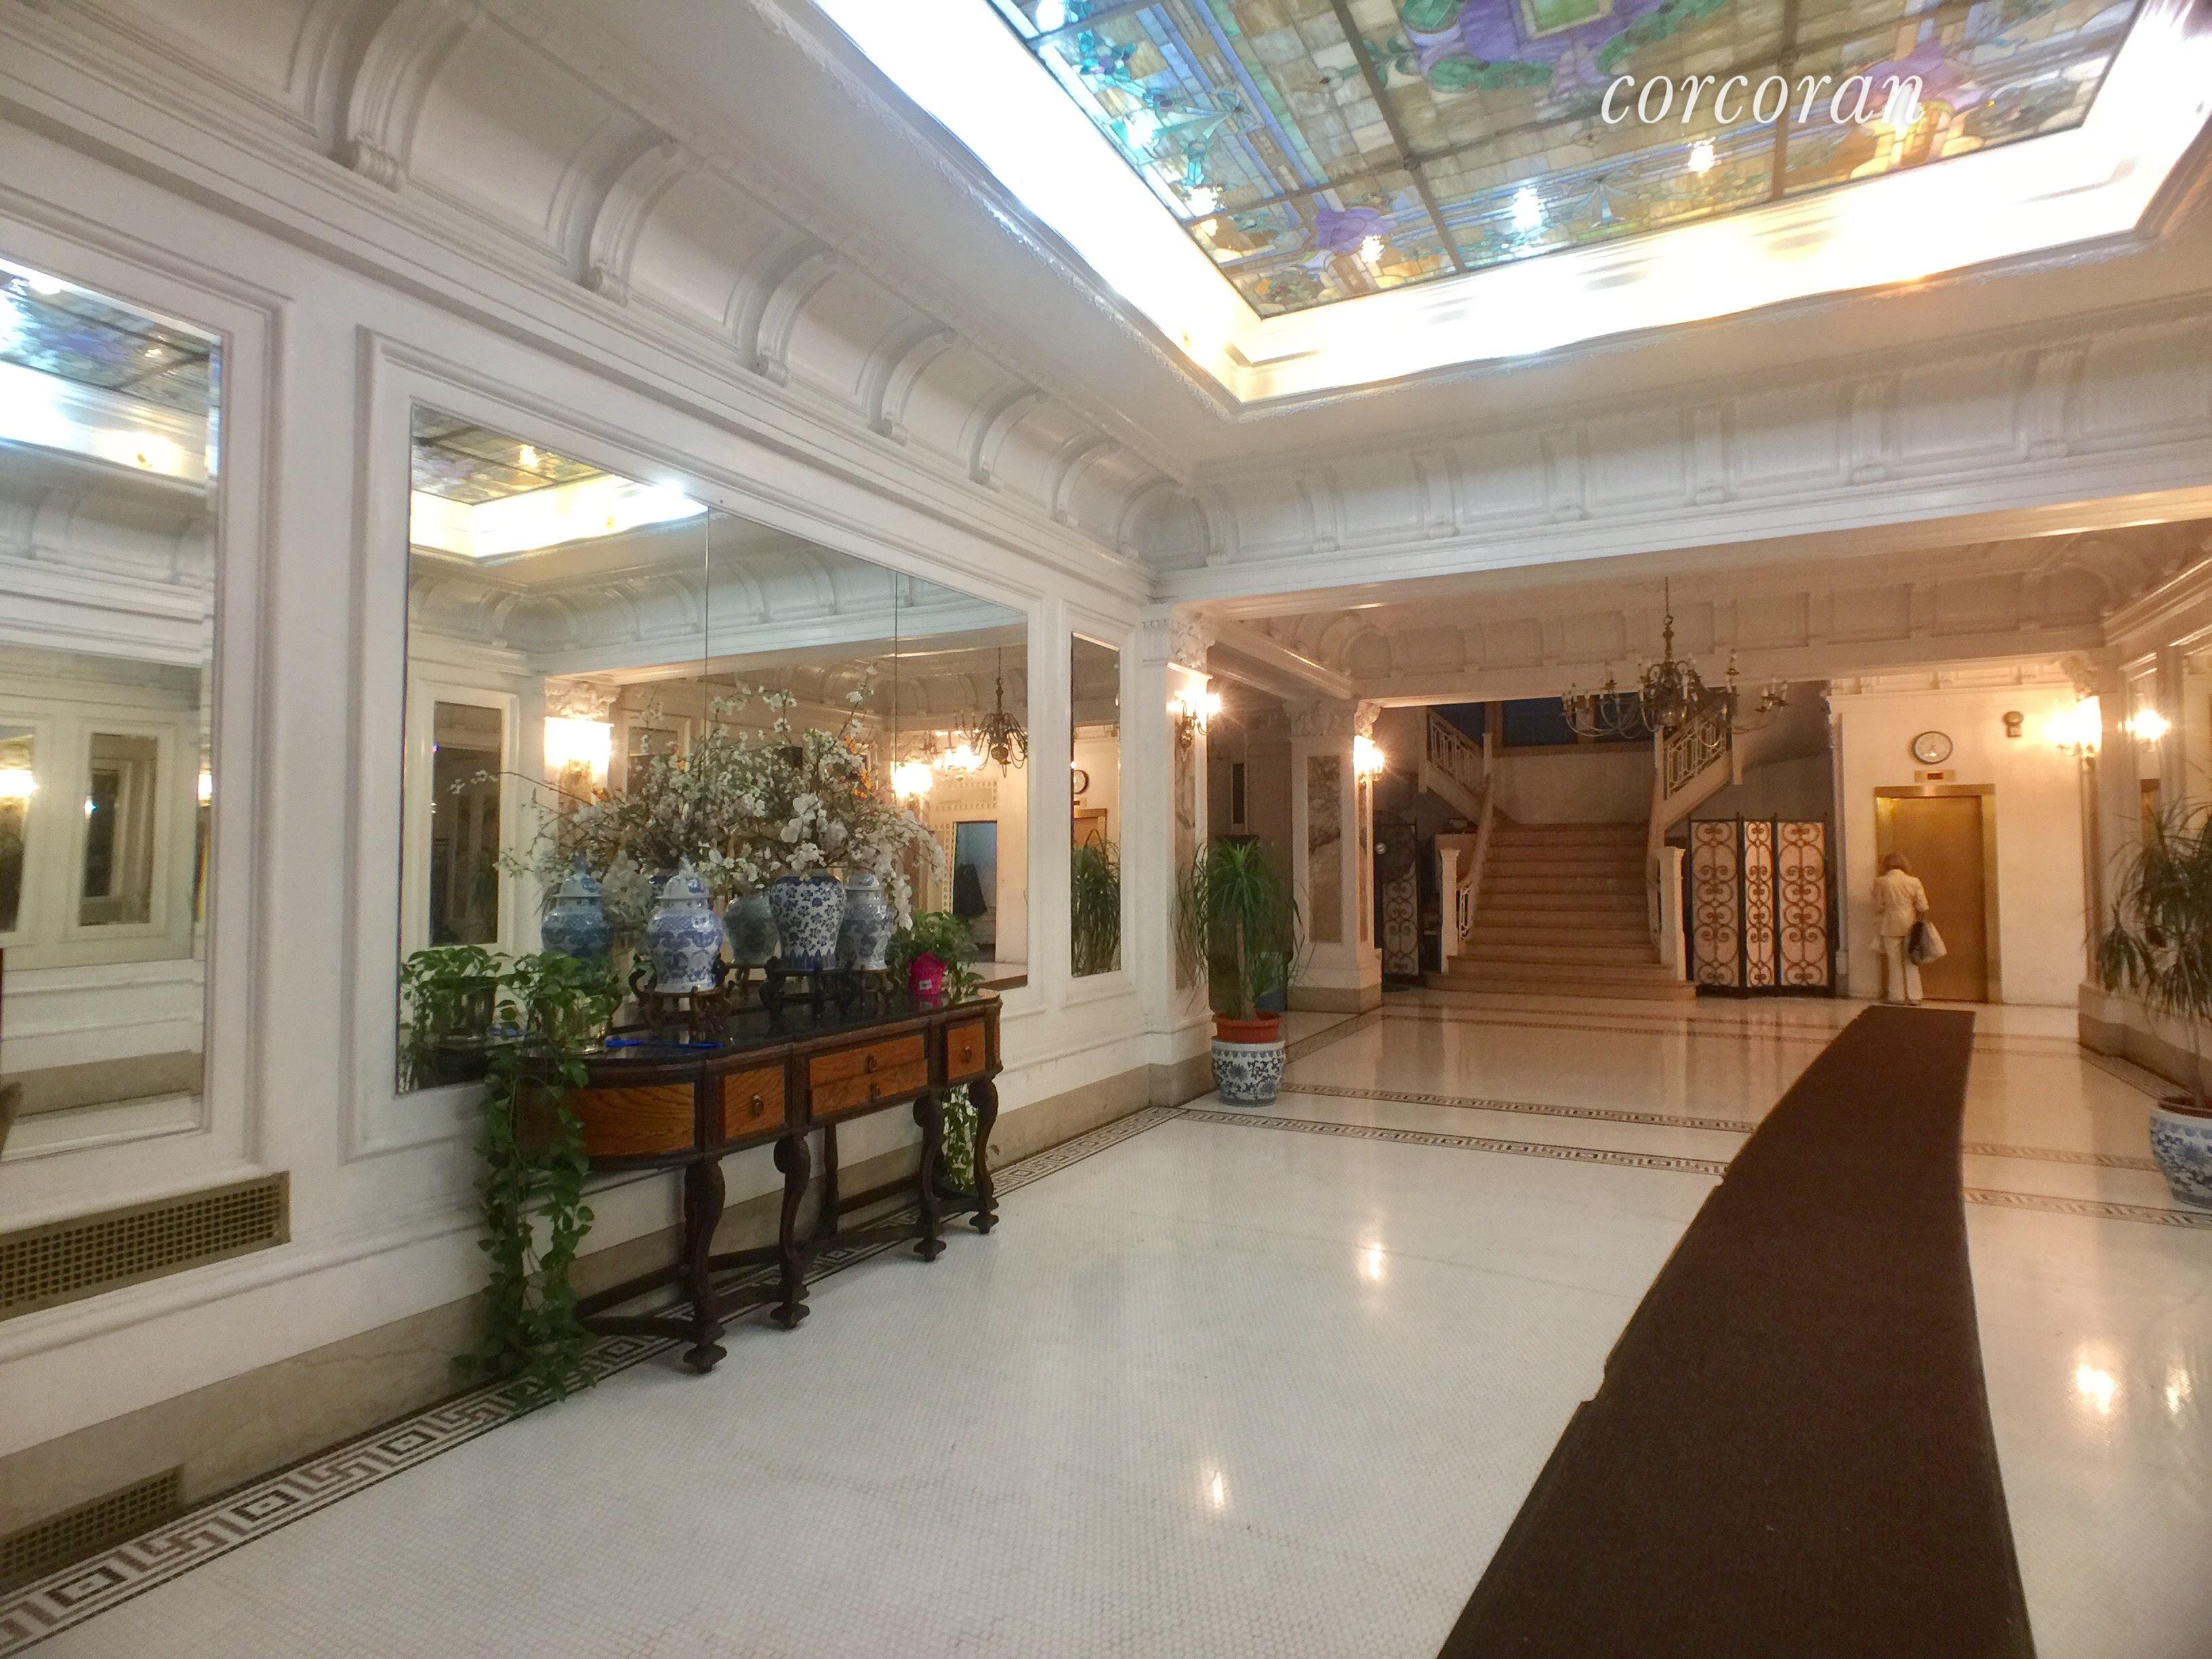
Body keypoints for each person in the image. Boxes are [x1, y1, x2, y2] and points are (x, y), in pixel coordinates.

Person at [1873, 851, 1931, 1005]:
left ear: (1886, 865)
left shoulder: (1881, 882)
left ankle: (1896, 996)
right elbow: (1923, 906)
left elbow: (1878, 907)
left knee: (1894, 963)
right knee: (1911, 960)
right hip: (1909, 924)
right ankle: (1915, 996)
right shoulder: (1914, 881)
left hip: (1889, 924)